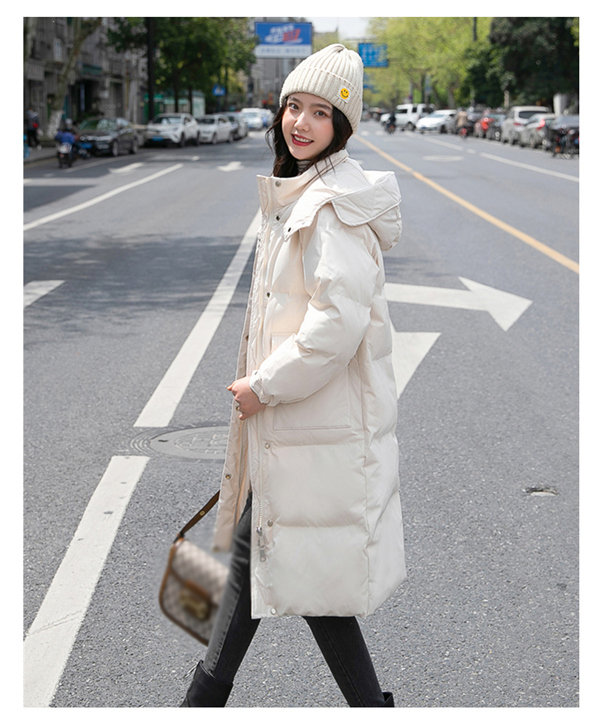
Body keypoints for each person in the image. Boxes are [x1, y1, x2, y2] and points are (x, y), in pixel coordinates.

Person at [181, 44, 406, 708]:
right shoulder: (305, 191)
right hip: (300, 429)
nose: (301, 123)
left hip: (312, 426)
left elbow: (335, 326)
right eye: (293, 107)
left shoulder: (330, 207)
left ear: (343, 124)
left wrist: (263, 385)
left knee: (293, 571)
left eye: (320, 113)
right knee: (277, 565)